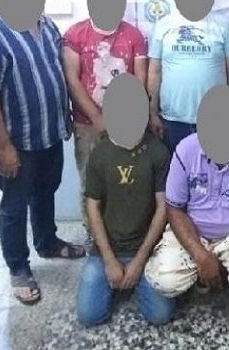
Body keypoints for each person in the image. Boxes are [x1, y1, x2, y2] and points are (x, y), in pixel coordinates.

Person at [0, 0, 85, 306]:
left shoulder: (46, 25)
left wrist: (66, 113)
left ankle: (47, 242)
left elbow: (56, 72)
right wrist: (3, 147)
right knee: (15, 204)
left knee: (46, 191)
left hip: (50, 132)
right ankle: (18, 267)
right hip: (17, 140)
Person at [145, 86, 229, 320]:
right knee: (163, 280)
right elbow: (174, 209)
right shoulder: (185, 151)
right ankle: (204, 270)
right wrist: (200, 255)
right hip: (193, 229)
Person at [76, 74, 174, 327]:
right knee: (88, 316)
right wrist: (109, 260)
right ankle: (118, 279)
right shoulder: (100, 154)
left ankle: (130, 280)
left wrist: (139, 261)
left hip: (146, 250)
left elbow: (163, 208)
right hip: (106, 250)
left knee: (160, 315)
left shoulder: (158, 152)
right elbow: (92, 207)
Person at [147, 0, 229, 155]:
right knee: (176, 172)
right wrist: (152, 113)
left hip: (216, 119)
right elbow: (154, 71)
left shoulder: (222, 24)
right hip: (172, 120)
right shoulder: (163, 25)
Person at [62, 17, 147, 236]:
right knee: (91, 184)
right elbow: (72, 80)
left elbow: (140, 79)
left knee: (125, 182)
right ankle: (94, 236)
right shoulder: (75, 34)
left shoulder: (134, 35)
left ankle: (124, 236)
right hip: (87, 126)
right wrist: (96, 116)